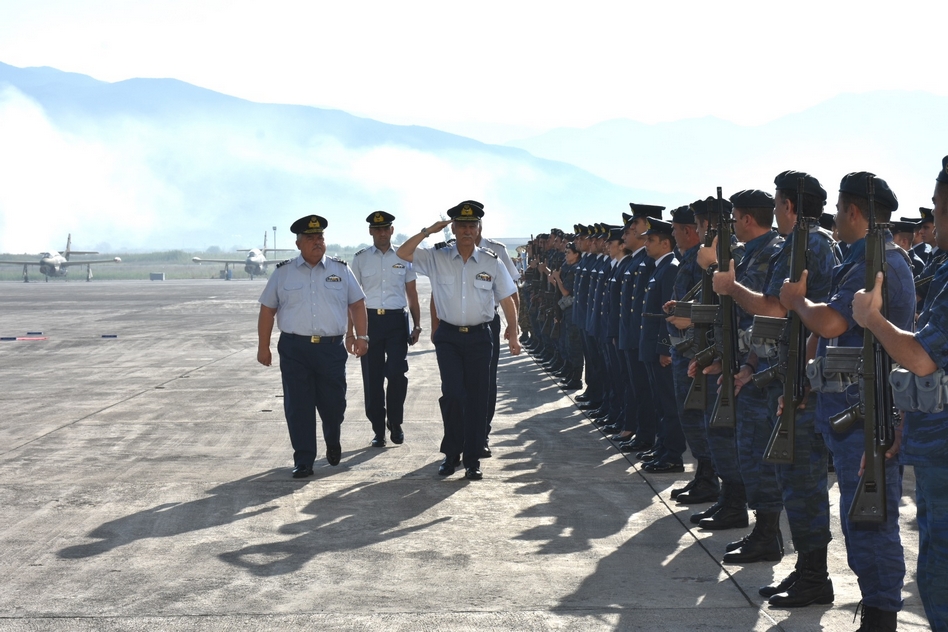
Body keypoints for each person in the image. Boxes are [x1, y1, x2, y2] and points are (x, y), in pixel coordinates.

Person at [780, 172, 913, 630]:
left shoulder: (877, 263)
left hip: (868, 411)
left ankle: (880, 614)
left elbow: (833, 323)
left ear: (854, 212)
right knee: (859, 519)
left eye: (839, 210)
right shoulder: (864, 258)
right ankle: (876, 608)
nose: (835, 219)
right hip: (848, 408)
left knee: (871, 520)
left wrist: (797, 303)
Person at [712, 170, 838, 607]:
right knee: (789, 475)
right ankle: (803, 567)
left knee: (802, 479)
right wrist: (750, 362)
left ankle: (814, 575)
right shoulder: (806, 244)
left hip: (800, 381)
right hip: (785, 373)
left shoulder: (809, 246)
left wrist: (730, 289)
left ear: (787, 207)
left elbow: (773, 309)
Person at [853, 156, 948, 632]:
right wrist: (906, 422)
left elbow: (922, 357)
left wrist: (871, 318)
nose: (933, 224)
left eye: (938, 209)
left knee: (940, 577)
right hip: (934, 440)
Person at [396, 200, 521, 480]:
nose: (467, 230)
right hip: (449, 337)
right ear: (453, 228)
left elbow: (507, 298)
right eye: (461, 225)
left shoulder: (491, 260)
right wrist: (428, 230)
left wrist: (513, 331)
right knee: (453, 394)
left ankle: (473, 457)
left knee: (477, 398)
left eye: (471, 225)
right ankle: (451, 453)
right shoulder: (437, 256)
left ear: (478, 229)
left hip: (480, 337)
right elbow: (403, 252)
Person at [257, 214, 368, 478]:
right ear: (298, 244)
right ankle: (304, 460)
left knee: (333, 404)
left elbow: (357, 304)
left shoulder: (340, 270)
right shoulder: (283, 273)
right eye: (310, 238)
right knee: (298, 406)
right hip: (295, 348)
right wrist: (264, 346)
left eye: (320, 237)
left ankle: (332, 437)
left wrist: (362, 337)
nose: (317, 242)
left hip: (330, 349)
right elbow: (267, 310)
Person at [350, 211, 422, 448]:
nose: (382, 233)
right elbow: (352, 297)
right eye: (377, 229)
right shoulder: (360, 259)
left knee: (397, 373)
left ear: (392, 230)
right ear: (371, 231)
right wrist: (351, 331)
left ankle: (396, 422)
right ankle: (378, 429)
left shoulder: (404, 256)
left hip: (396, 322)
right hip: (369, 322)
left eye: (386, 229)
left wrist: (417, 324)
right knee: (372, 378)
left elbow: (411, 293)